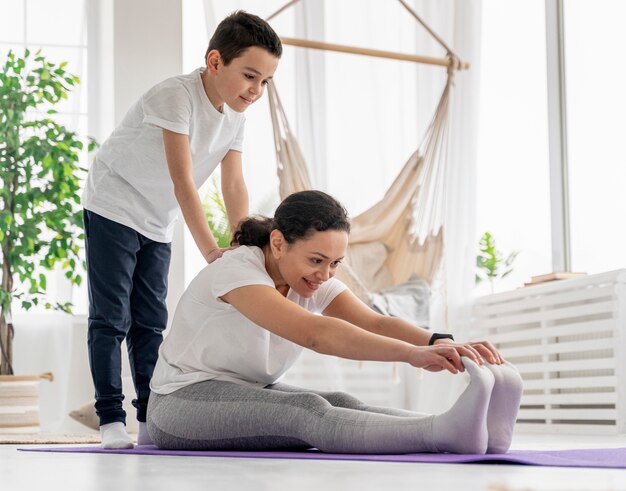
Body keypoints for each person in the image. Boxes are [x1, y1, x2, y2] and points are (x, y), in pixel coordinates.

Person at [147, 190, 524, 454]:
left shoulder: (309, 279)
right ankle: (443, 434)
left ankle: (461, 426)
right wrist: (412, 355)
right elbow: (315, 334)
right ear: (278, 244)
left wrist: (438, 341)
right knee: (306, 409)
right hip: (180, 405)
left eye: (335, 263)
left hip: (246, 390)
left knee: (341, 400)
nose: (325, 274)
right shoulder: (237, 271)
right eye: (316, 260)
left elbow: (373, 323)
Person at [82, 11, 282, 449]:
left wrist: (243, 245)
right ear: (215, 62)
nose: (256, 90)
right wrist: (212, 251)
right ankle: (111, 417)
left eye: (265, 82)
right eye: (250, 76)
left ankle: (151, 418)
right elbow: (183, 180)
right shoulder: (177, 96)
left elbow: (233, 185)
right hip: (114, 204)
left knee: (151, 322)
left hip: (158, 218)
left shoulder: (235, 119)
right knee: (111, 319)